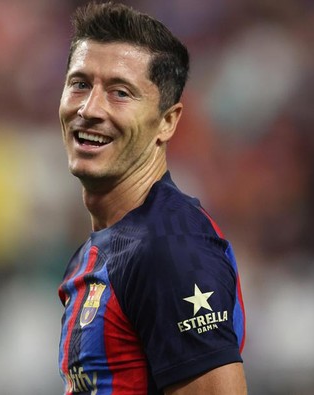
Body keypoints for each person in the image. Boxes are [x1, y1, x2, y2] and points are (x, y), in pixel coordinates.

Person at [56, 2, 247, 394]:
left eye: (120, 93)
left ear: (167, 121)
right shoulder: (101, 251)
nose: (90, 109)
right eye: (79, 84)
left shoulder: (169, 245)